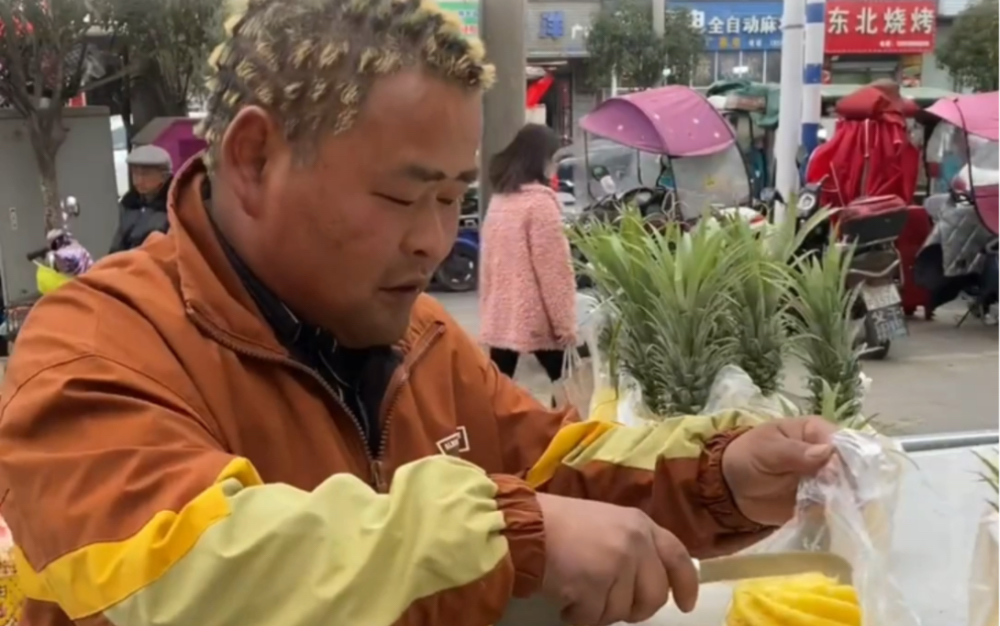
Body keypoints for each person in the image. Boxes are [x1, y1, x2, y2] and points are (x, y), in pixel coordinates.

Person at [0, 2, 838, 626]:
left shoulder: (425, 344)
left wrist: (721, 474)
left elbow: (551, 465)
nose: (434, 243)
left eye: (454, 199)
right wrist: (510, 535)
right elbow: (191, 567)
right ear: (255, 157)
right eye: (404, 195)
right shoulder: (95, 350)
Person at [480, 124, 576, 383]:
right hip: (536, 318)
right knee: (568, 384)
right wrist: (565, 325)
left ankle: (490, 424)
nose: (555, 166)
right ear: (541, 159)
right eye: (553, 158)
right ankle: (563, 425)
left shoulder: (500, 200)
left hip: (502, 315)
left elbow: (489, 264)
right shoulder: (540, 204)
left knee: (495, 390)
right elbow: (555, 271)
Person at [108, 144, 173, 253]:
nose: (139, 180)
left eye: (145, 174)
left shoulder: (173, 205)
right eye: (135, 174)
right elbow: (118, 243)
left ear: (164, 176)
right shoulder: (129, 203)